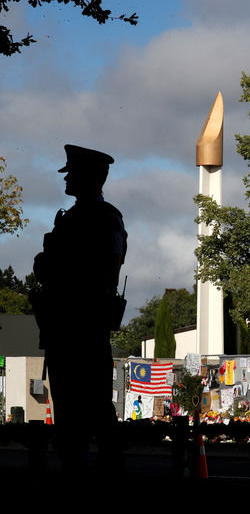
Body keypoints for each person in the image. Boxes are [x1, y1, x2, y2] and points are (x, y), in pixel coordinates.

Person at [31, 144, 127, 472]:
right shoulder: (72, 218)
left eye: (72, 173)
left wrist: (57, 266)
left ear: (89, 177)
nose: (67, 179)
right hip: (63, 329)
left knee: (95, 409)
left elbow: (107, 272)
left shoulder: (104, 218)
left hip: (84, 329)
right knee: (69, 415)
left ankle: (102, 471)